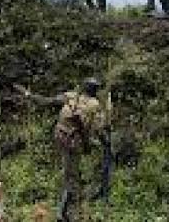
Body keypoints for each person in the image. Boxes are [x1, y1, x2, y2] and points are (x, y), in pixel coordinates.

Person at [16, 77, 107, 222]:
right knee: (71, 177)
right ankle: (66, 213)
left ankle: (66, 211)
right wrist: (101, 142)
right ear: (95, 91)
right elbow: (98, 128)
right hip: (74, 141)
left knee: (70, 174)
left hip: (61, 137)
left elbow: (47, 101)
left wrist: (28, 94)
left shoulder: (71, 96)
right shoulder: (94, 104)